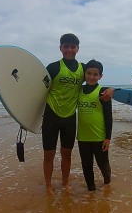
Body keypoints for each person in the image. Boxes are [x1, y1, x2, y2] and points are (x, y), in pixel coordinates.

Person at [42, 33, 113, 194]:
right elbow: (39, 90)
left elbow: (93, 82)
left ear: (77, 49)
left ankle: (65, 184)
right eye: (65, 46)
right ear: (60, 48)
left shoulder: (82, 69)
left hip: (69, 118)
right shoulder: (52, 68)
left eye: (72, 46)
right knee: (49, 155)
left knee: (67, 154)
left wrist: (110, 90)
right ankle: (48, 185)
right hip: (51, 116)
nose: (69, 49)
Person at [77, 59, 112, 191]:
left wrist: (108, 137)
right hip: (83, 137)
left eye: (95, 74)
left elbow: (109, 116)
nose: (92, 77)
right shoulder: (78, 90)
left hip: (99, 136)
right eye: (89, 73)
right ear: (84, 74)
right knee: (86, 165)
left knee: (103, 163)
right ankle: (91, 189)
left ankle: (107, 182)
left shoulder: (103, 91)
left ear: (100, 76)